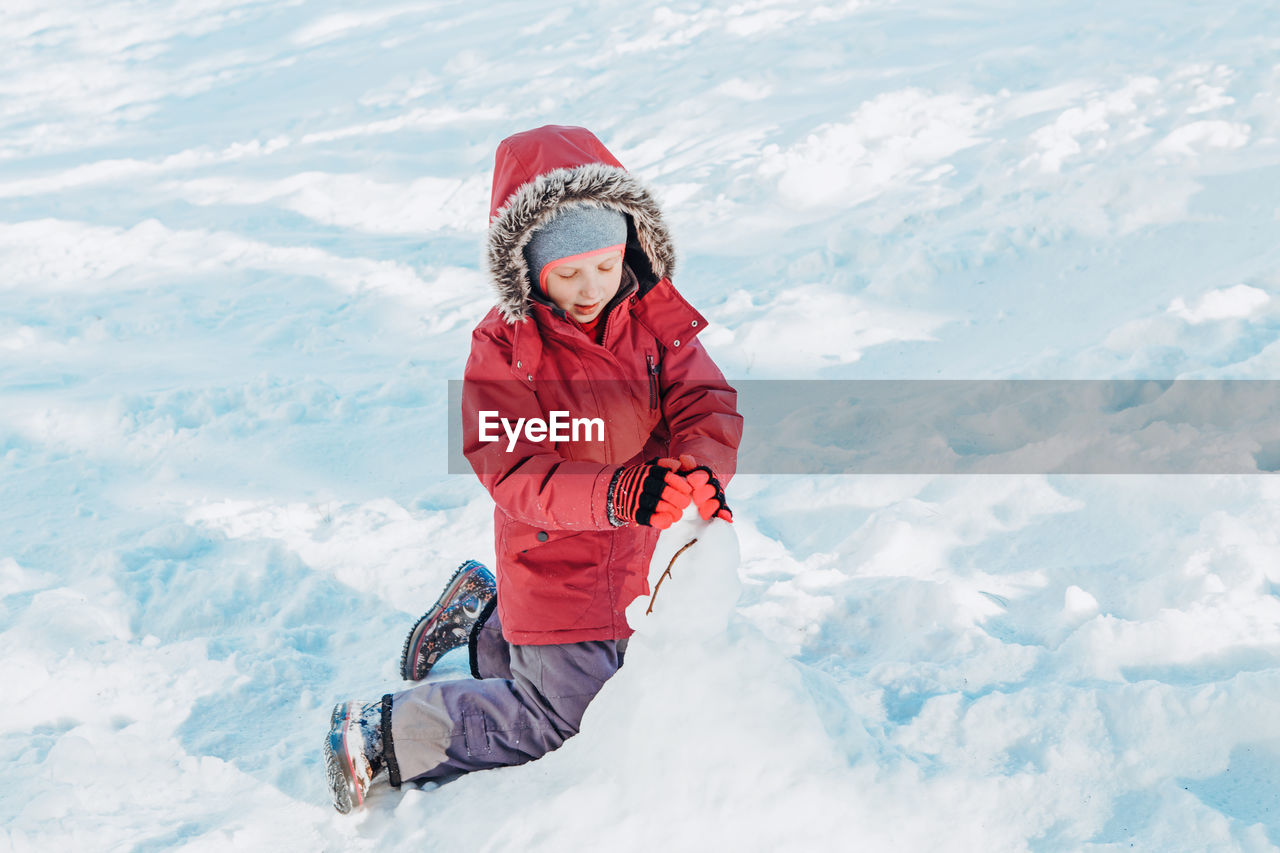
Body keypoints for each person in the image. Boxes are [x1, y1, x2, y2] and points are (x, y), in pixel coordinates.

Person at [324, 125, 742, 813]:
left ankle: (483, 625)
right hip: (557, 572)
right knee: (570, 720)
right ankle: (386, 731)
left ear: (630, 246)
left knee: (653, 691)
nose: (591, 289)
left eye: (605, 266)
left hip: (636, 562)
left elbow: (706, 399)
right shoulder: (507, 349)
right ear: (528, 265)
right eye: (567, 273)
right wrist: (618, 492)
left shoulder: (650, 319)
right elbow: (512, 466)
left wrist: (698, 467)